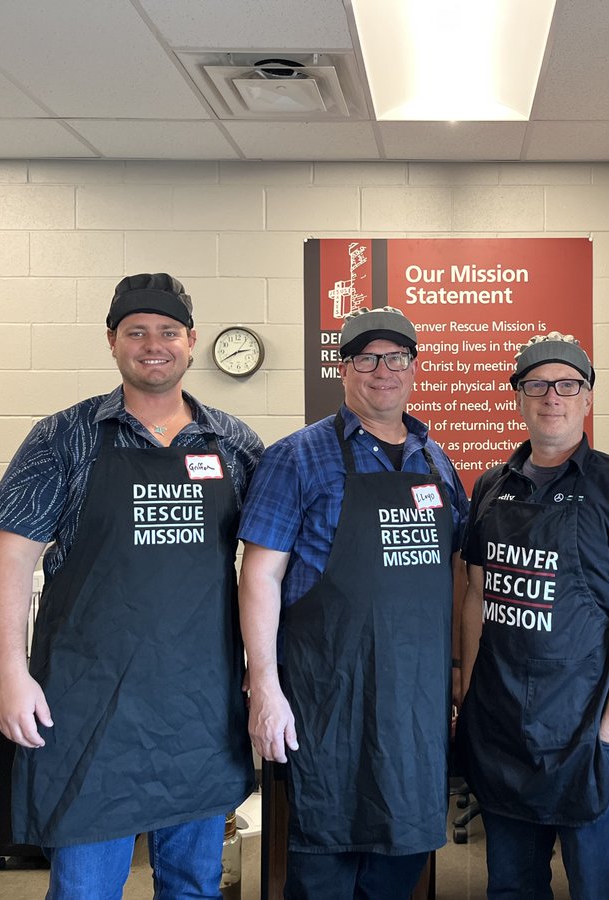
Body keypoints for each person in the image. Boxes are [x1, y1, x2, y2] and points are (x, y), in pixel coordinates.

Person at [0, 273, 263, 898]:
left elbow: (269, 563)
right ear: (112, 341)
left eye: (168, 331)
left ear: (192, 341)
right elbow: (9, 558)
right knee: (85, 889)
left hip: (200, 704)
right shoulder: (65, 436)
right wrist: (11, 674)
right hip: (88, 707)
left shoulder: (233, 443)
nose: (153, 344)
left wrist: (265, 671)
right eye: (136, 331)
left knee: (193, 884)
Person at [237, 306, 469, 900]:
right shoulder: (297, 457)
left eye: (396, 358)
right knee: (323, 868)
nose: (383, 371)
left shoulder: (436, 462)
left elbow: (459, 575)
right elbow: (259, 575)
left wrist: (458, 674)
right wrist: (263, 683)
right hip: (327, 702)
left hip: (414, 708)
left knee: (403, 859)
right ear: (344, 369)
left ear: (414, 368)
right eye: (368, 358)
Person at [456, 332, 609, 900]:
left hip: (584, 727)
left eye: (568, 384)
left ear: (588, 398)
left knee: (593, 886)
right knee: (510, 884)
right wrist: (472, 692)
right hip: (502, 726)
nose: (553, 396)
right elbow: (476, 592)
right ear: (519, 398)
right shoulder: (490, 487)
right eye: (537, 385)